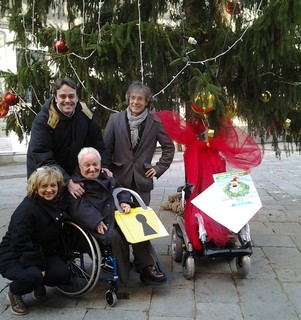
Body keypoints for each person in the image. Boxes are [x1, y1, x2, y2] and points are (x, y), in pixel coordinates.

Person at [103, 81, 175, 283]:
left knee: (140, 223)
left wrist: (158, 168)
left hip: (141, 182)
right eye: (133, 98)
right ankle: (125, 266)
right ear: (128, 98)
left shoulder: (154, 123)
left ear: (147, 102)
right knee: (120, 223)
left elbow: (169, 149)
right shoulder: (115, 120)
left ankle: (146, 268)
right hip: (117, 181)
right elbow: (106, 149)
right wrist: (106, 172)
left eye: (140, 99)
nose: (136, 102)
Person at [64, 147, 166, 285]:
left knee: (138, 228)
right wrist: (96, 221)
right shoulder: (77, 185)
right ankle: (125, 276)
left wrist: (124, 202)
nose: (92, 169)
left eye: (95, 164)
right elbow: (78, 208)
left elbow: (121, 190)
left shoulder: (107, 177)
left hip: (115, 216)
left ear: (100, 165)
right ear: (79, 166)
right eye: (87, 165)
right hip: (96, 224)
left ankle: (148, 268)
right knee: (116, 236)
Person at [0, 166, 70, 316]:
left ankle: (37, 281)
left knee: (62, 273)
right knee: (33, 275)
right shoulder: (27, 210)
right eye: (44, 186)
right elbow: (19, 243)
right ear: (35, 188)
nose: (49, 190)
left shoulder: (54, 203)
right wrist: (41, 266)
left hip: (40, 251)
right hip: (15, 254)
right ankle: (15, 293)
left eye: (53, 185)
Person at [26, 76, 108, 199]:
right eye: (63, 96)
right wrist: (67, 181)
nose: (67, 100)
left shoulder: (85, 116)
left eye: (71, 96)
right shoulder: (43, 120)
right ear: (56, 98)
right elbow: (42, 156)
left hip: (73, 174)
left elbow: (98, 145)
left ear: (77, 97)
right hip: (47, 177)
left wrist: (104, 166)